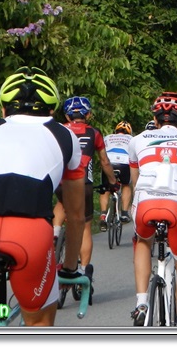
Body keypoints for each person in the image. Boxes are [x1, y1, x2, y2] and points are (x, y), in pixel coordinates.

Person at [0, 67, 82, 327]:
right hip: (28, 232)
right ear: (52, 111)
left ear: (4, 109)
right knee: (38, 318)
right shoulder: (65, 135)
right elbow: (76, 214)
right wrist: (70, 266)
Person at [128, 92, 177, 328]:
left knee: (143, 243)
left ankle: (142, 303)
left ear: (155, 120)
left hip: (145, 203)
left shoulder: (137, 139)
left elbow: (135, 182)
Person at [52, 96, 119, 294]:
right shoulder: (94, 133)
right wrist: (113, 182)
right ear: (88, 115)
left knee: (62, 202)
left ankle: (55, 233)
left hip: (59, 181)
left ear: (66, 116)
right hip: (83, 183)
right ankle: (82, 271)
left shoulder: (58, 130)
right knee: (85, 227)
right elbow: (105, 162)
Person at [99, 121, 134, 227]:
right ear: (129, 132)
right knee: (126, 185)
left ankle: (103, 215)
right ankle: (124, 213)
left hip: (109, 163)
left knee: (105, 188)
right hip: (124, 163)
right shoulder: (132, 139)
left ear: (116, 131)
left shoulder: (108, 137)